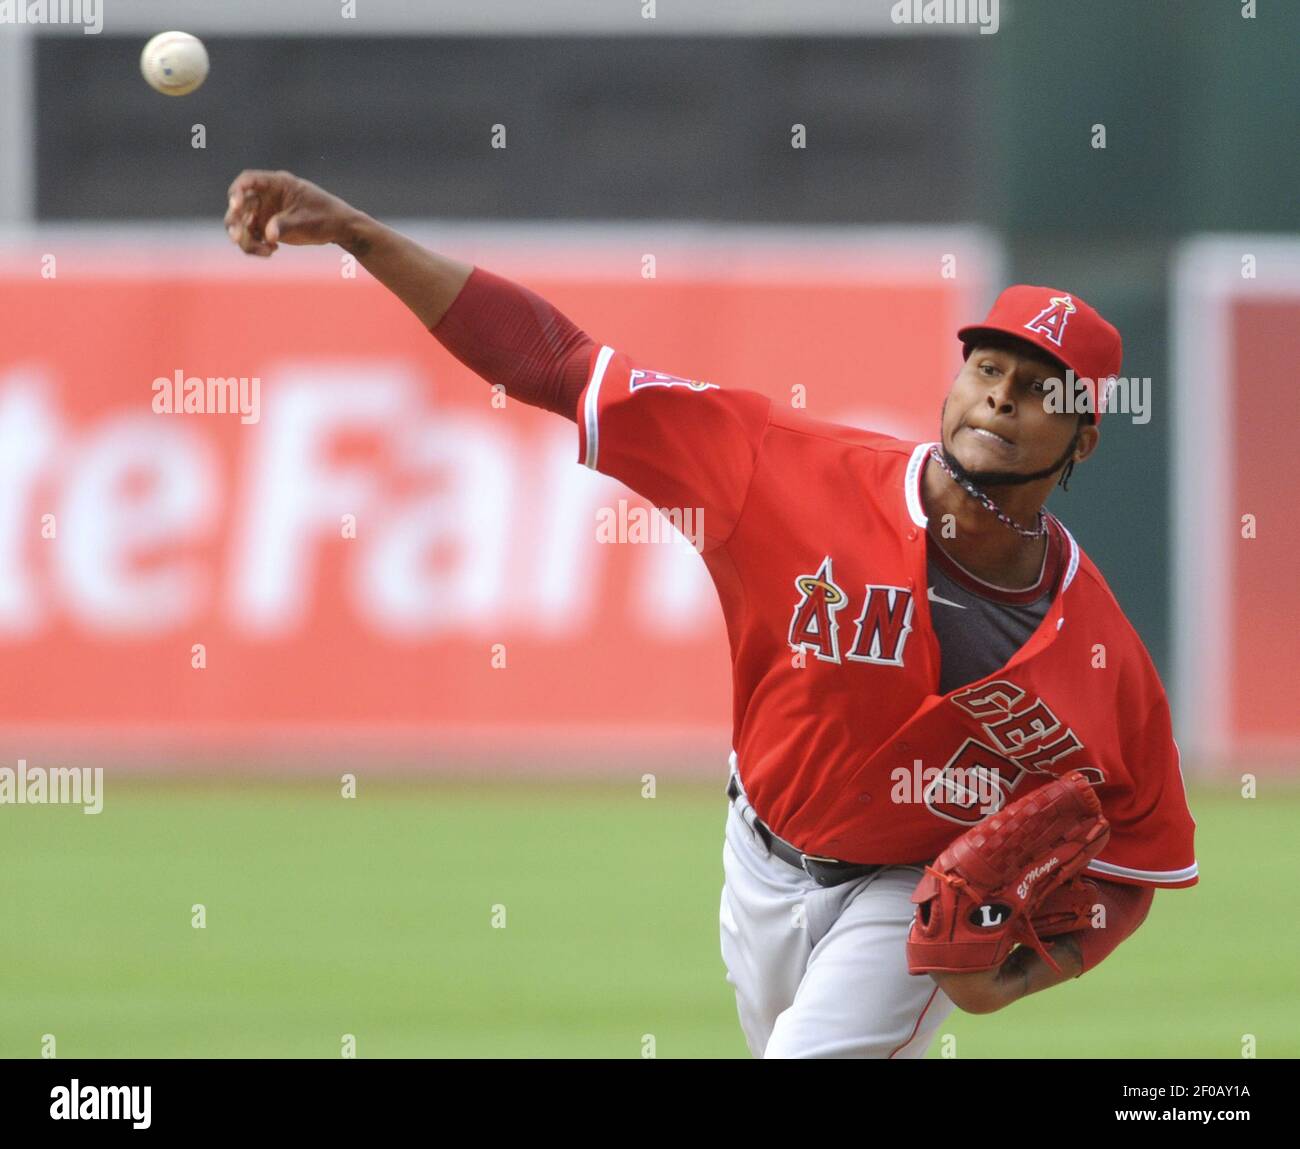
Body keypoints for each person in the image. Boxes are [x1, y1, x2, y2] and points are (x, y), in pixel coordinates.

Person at [225, 170, 1199, 1058]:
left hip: (901, 900)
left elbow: (1143, 859)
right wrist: (360, 234)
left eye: (1037, 390)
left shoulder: (1099, 655)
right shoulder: (778, 465)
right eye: (987, 368)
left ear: (1082, 434)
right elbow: (558, 363)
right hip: (757, 855)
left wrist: (1027, 976)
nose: (999, 398)